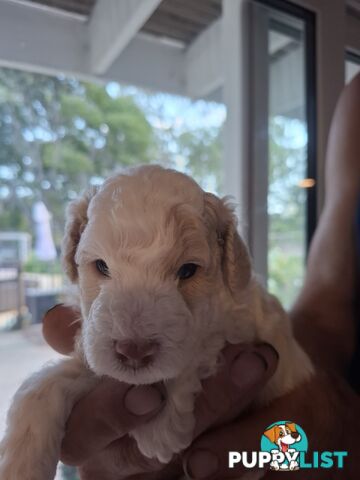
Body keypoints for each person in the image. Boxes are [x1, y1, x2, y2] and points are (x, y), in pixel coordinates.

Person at [43, 73, 360, 479]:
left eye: (186, 270)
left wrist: (347, 437)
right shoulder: (357, 103)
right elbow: (327, 308)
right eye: (101, 268)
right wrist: (301, 402)